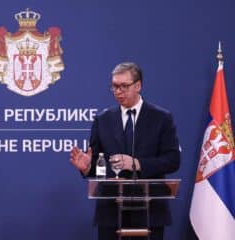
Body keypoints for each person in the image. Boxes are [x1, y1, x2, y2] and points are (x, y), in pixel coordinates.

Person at [70, 62, 180, 240]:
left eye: (124, 86)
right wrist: (87, 167)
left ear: (138, 85)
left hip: (149, 213)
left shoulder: (161, 118)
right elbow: (99, 165)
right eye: (114, 86)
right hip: (111, 214)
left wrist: (136, 163)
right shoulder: (102, 119)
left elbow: (173, 160)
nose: (118, 91)